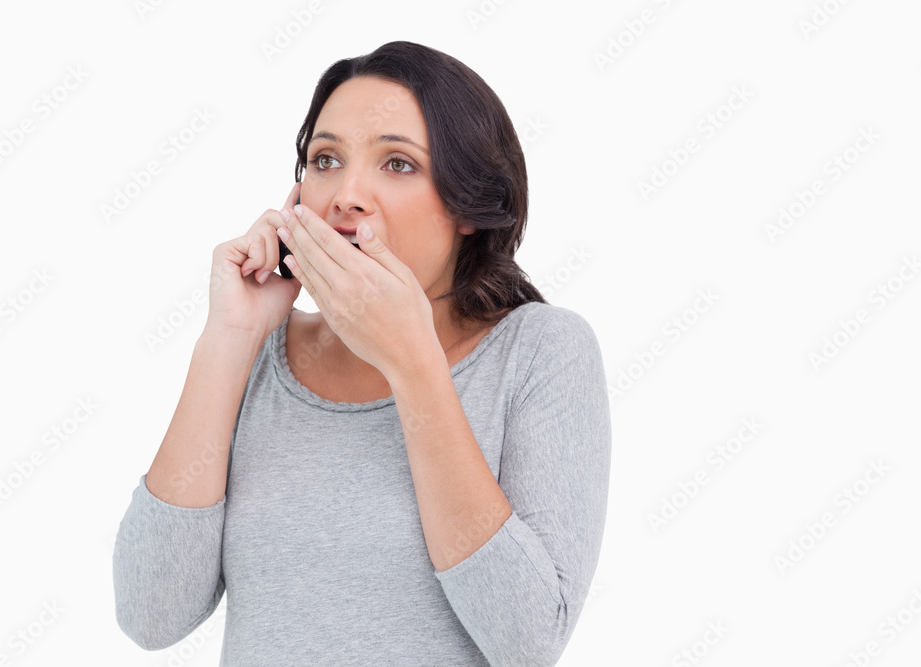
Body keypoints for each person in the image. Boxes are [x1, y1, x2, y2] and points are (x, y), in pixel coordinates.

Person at [112, 40, 611, 666]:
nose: (346, 195)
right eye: (325, 160)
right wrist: (229, 340)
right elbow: (151, 615)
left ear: (467, 205)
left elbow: (528, 641)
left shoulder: (541, 352)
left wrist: (411, 362)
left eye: (397, 164)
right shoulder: (259, 354)